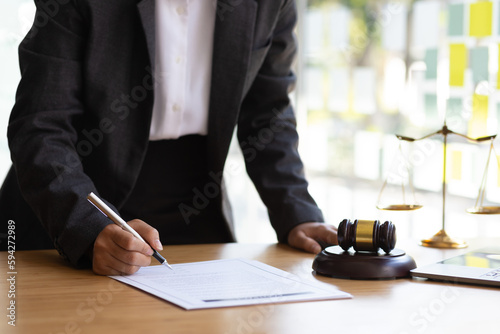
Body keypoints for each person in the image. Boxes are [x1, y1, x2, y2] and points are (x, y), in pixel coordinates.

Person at [0, 0, 338, 275]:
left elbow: (269, 112)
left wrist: (297, 211)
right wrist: (87, 228)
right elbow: (41, 126)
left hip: (198, 217)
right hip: (69, 212)